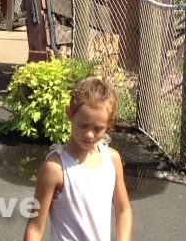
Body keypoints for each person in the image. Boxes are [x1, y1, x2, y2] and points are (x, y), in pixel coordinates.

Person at [24, 77, 132, 241]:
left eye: (98, 128)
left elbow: (124, 211)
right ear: (69, 114)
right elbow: (35, 228)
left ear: (109, 124)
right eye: (83, 125)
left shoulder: (112, 160)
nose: (89, 134)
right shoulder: (55, 168)